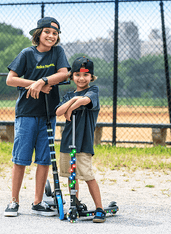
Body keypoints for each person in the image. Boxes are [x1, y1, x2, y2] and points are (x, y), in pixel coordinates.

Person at [4, 17, 71, 217]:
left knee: (44, 159)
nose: (51, 36)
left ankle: (37, 202)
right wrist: (33, 84)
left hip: (49, 113)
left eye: (55, 33)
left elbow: (64, 74)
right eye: (47, 32)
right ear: (38, 34)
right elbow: (10, 79)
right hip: (27, 113)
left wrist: (42, 81)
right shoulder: (27, 53)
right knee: (21, 158)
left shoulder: (58, 52)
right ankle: (13, 201)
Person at [55, 57, 106, 223]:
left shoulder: (93, 91)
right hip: (67, 142)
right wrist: (71, 102)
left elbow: (85, 100)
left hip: (83, 142)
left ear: (91, 76)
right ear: (72, 77)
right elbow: (58, 111)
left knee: (87, 175)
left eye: (85, 75)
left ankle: (99, 208)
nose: (81, 78)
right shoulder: (69, 95)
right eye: (77, 74)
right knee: (72, 176)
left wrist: (74, 105)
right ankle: (74, 202)